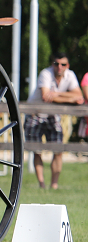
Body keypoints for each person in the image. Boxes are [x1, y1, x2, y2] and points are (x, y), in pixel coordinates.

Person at [24, 53, 83, 189]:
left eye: (63, 64)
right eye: (56, 64)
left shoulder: (70, 75)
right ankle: (42, 184)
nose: (59, 67)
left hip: (53, 115)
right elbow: (46, 97)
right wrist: (70, 98)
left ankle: (54, 185)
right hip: (35, 113)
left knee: (58, 149)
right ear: (53, 65)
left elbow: (79, 96)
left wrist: (56, 94)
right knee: (36, 150)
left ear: (67, 66)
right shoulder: (45, 74)